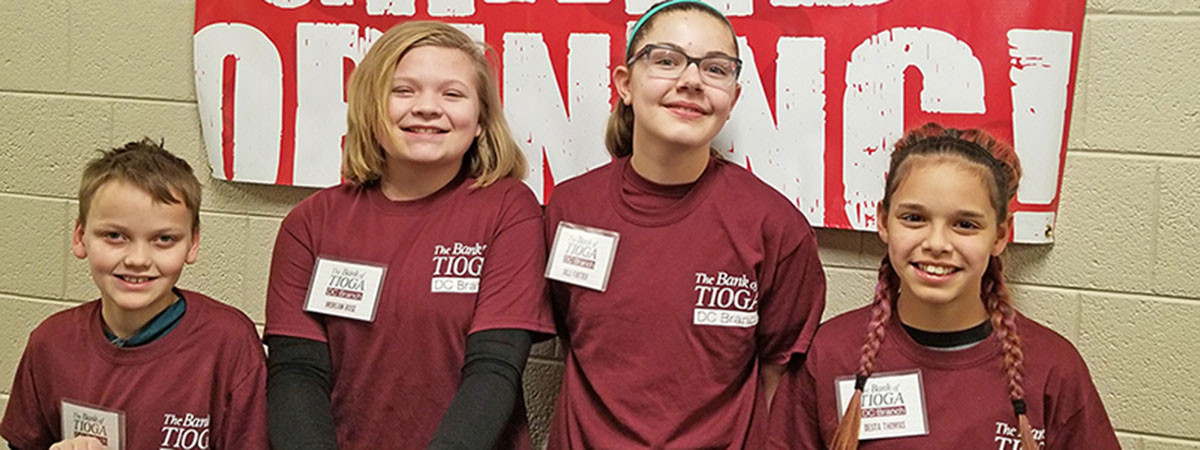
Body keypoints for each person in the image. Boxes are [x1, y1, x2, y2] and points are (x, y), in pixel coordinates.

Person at [542, 0, 826, 447]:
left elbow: (777, 374)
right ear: (625, 84)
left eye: (715, 69)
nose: (691, 81)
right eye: (667, 61)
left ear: (732, 99)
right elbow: (569, 329)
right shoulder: (571, 207)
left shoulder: (775, 226)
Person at [263, 21, 555, 449]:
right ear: (370, 108)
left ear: (479, 122)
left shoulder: (509, 210)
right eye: (403, 90)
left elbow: (494, 369)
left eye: (452, 94)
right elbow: (296, 375)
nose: (427, 107)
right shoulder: (311, 223)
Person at [767, 123, 1120, 449]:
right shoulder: (831, 353)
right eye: (914, 218)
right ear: (884, 223)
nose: (937, 242)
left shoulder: (1053, 368)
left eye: (965, 224)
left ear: (999, 236)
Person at [0, 139, 268, 450]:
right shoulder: (50, 343)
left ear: (192, 244)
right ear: (80, 236)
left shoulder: (228, 343)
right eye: (115, 236)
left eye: (164, 239)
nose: (138, 259)